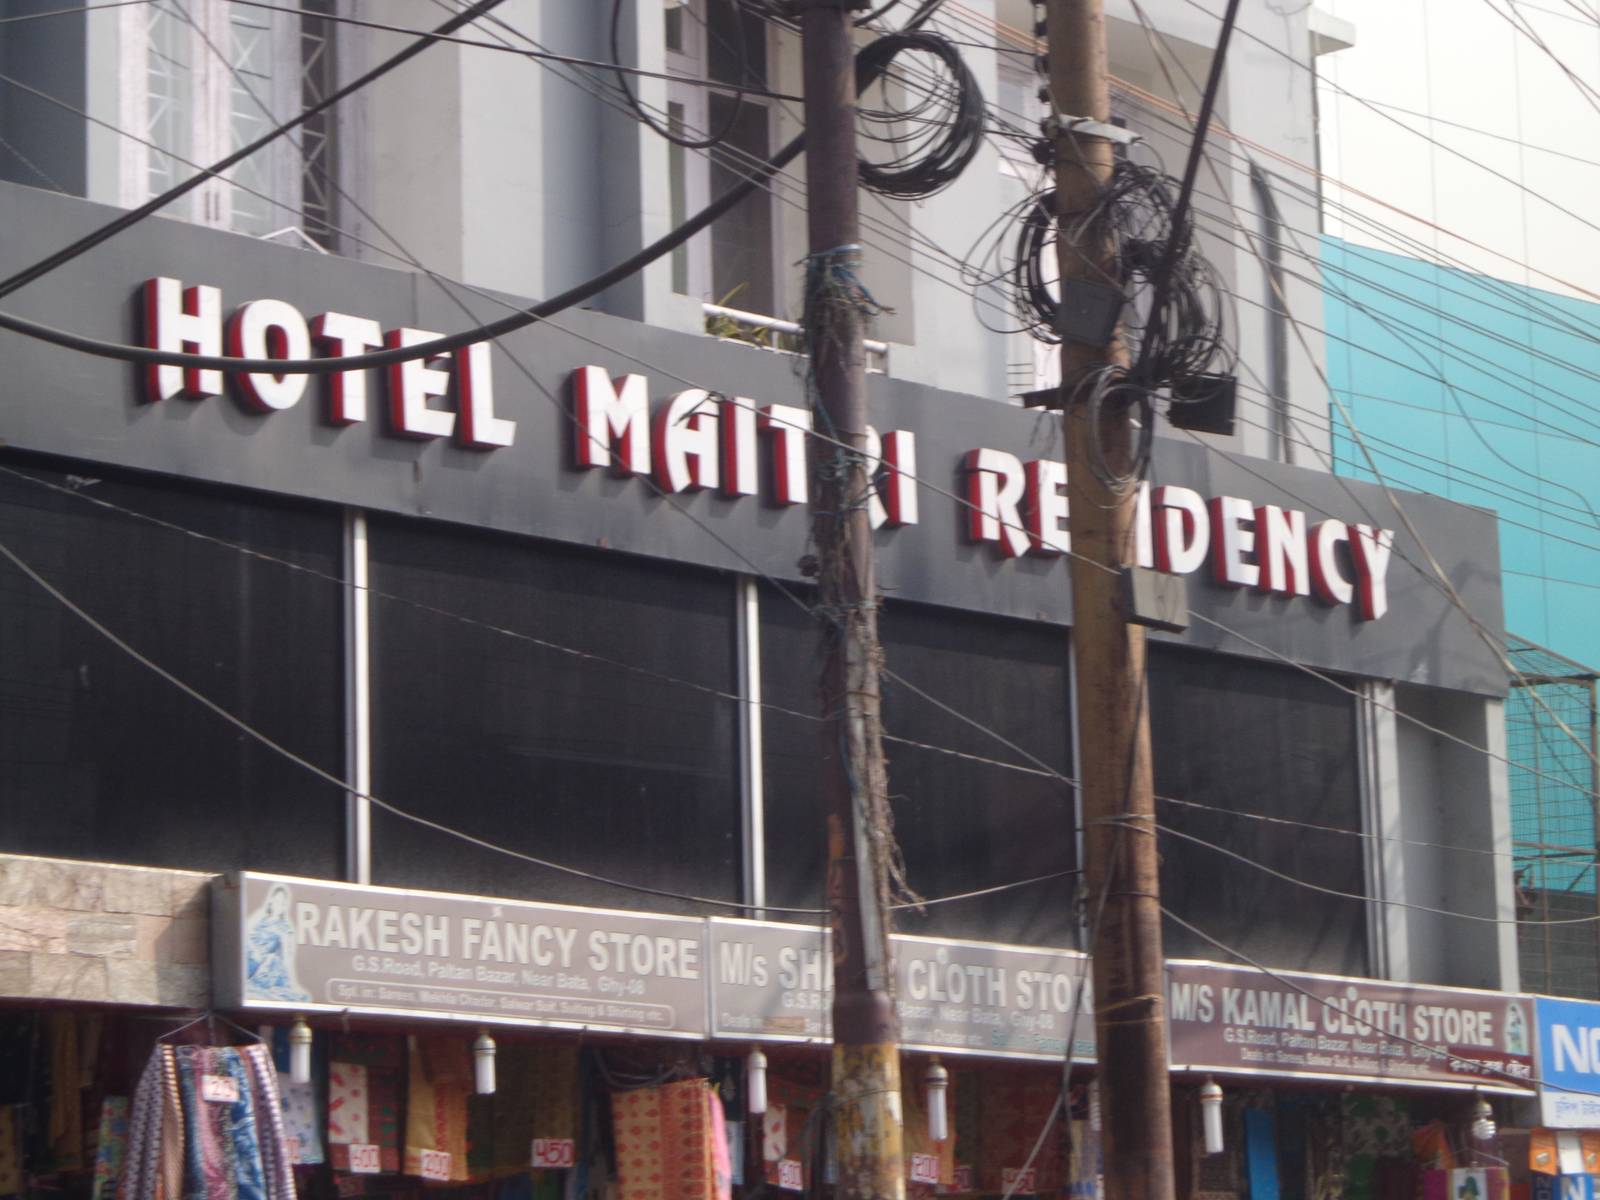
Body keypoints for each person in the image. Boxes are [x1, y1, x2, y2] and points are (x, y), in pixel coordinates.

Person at [246, 884, 311, 1002]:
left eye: (282, 903)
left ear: (284, 907)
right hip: (248, 958)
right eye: (276, 900)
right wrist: (253, 949)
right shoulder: (260, 916)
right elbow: (245, 933)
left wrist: (293, 983)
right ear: (271, 901)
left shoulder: (284, 929)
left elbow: (287, 959)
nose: (278, 905)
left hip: (262, 966)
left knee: (273, 959)